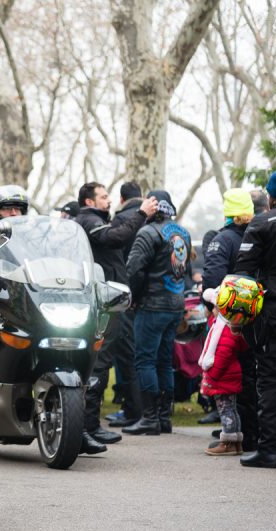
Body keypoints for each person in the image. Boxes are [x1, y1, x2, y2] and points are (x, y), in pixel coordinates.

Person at [73, 182, 158, 453]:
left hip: (110, 299)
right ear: (89, 201)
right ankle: (84, 428)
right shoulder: (87, 219)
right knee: (98, 362)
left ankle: (90, 425)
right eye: (103, 196)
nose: (109, 200)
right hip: (101, 302)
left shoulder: (95, 219)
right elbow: (116, 238)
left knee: (103, 362)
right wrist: (142, 213)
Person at [234, 166, 276, 468]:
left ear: (273, 195)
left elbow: (242, 277)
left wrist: (238, 320)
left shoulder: (263, 222)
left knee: (271, 380)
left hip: (272, 313)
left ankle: (270, 451)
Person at [124, 190, 191, 436]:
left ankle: (149, 418)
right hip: (175, 304)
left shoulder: (147, 232)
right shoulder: (182, 233)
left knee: (144, 360)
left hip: (152, 304)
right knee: (164, 361)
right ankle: (164, 418)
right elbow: (184, 269)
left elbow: (133, 270)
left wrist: (133, 297)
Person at [200, 189, 258, 446]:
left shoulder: (222, 240)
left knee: (226, 373)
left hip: (230, 319)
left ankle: (236, 433)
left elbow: (213, 276)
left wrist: (210, 300)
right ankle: (255, 434)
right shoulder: (259, 234)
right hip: (259, 314)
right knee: (255, 374)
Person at [198, 278, 260, 456]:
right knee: (231, 409)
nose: (213, 311)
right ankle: (236, 442)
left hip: (223, 378)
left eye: (216, 307)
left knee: (226, 411)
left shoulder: (224, 330)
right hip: (229, 376)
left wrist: (211, 377)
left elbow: (222, 357)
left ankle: (228, 442)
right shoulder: (228, 327)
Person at [105, 181, 147, 427]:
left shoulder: (120, 221)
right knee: (147, 357)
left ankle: (133, 411)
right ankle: (153, 411)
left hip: (126, 294)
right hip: (152, 297)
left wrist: (129, 296)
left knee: (126, 355)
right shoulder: (152, 219)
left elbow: (129, 264)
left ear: (121, 199)